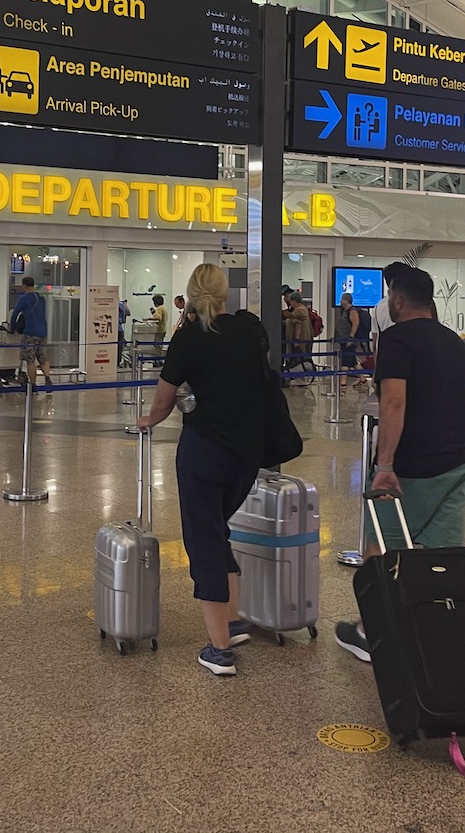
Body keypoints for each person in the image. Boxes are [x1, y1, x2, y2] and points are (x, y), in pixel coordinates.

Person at [335, 268, 465, 664]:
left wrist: (384, 464)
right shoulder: (456, 342)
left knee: (381, 546)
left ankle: (371, 632)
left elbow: (394, 403)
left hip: (409, 469)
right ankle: (436, 627)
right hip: (455, 466)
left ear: (397, 301)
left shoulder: (397, 339)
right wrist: (462, 455)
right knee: (443, 552)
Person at [136, 263, 265, 677]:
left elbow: (164, 398)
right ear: (225, 292)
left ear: (191, 295)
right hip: (247, 452)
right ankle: (233, 620)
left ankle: (219, 649)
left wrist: (147, 422)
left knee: (203, 537)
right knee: (218, 528)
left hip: (206, 452)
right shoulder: (247, 329)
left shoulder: (189, 337)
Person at [10, 276, 52, 389]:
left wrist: (12, 328)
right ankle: (47, 377)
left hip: (30, 332)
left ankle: (33, 385)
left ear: (24, 285)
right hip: (42, 332)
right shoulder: (41, 298)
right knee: (43, 358)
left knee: (30, 360)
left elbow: (15, 314)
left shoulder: (24, 299)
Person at [282, 292, 313, 383]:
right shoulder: (304, 309)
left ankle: (299, 379)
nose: (290, 303)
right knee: (302, 358)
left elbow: (298, 325)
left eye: (291, 301)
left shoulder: (298, 310)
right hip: (306, 338)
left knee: (297, 359)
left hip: (300, 339)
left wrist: (296, 339)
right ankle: (302, 378)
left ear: (294, 301)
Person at [334, 292, 362, 389]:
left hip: (348, 341)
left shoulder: (352, 310)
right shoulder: (345, 311)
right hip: (344, 340)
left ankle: (343, 383)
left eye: (342, 299)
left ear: (346, 300)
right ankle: (362, 379)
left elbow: (355, 323)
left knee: (345, 362)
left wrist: (351, 337)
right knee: (353, 362)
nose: (340, 301)